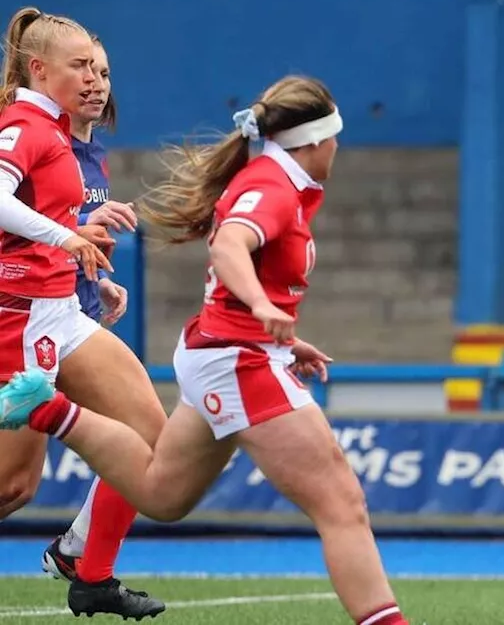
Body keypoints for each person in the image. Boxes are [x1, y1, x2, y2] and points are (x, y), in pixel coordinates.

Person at [0, 74, 412, 625]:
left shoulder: (276, 179)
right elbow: (230, 245)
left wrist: (277, 331)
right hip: (237, 359)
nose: (338, 147)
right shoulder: (272, 187)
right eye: (335, 136)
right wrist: (263, 311)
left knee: (162, 497)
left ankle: (50, 411)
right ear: (314, 141)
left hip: (224, 351)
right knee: (343, 506)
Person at [0, 7, 166, 619]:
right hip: (18, 316)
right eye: (82, 67)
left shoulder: (66, 137)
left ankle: (87, 570)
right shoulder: (25, 124)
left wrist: (84, 262)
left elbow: (45, 221)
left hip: (63, 310)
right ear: (39, 69)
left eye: (102, 69)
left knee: (151, 435)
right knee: (13, 487)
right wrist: (70, 238)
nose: (96, 79)